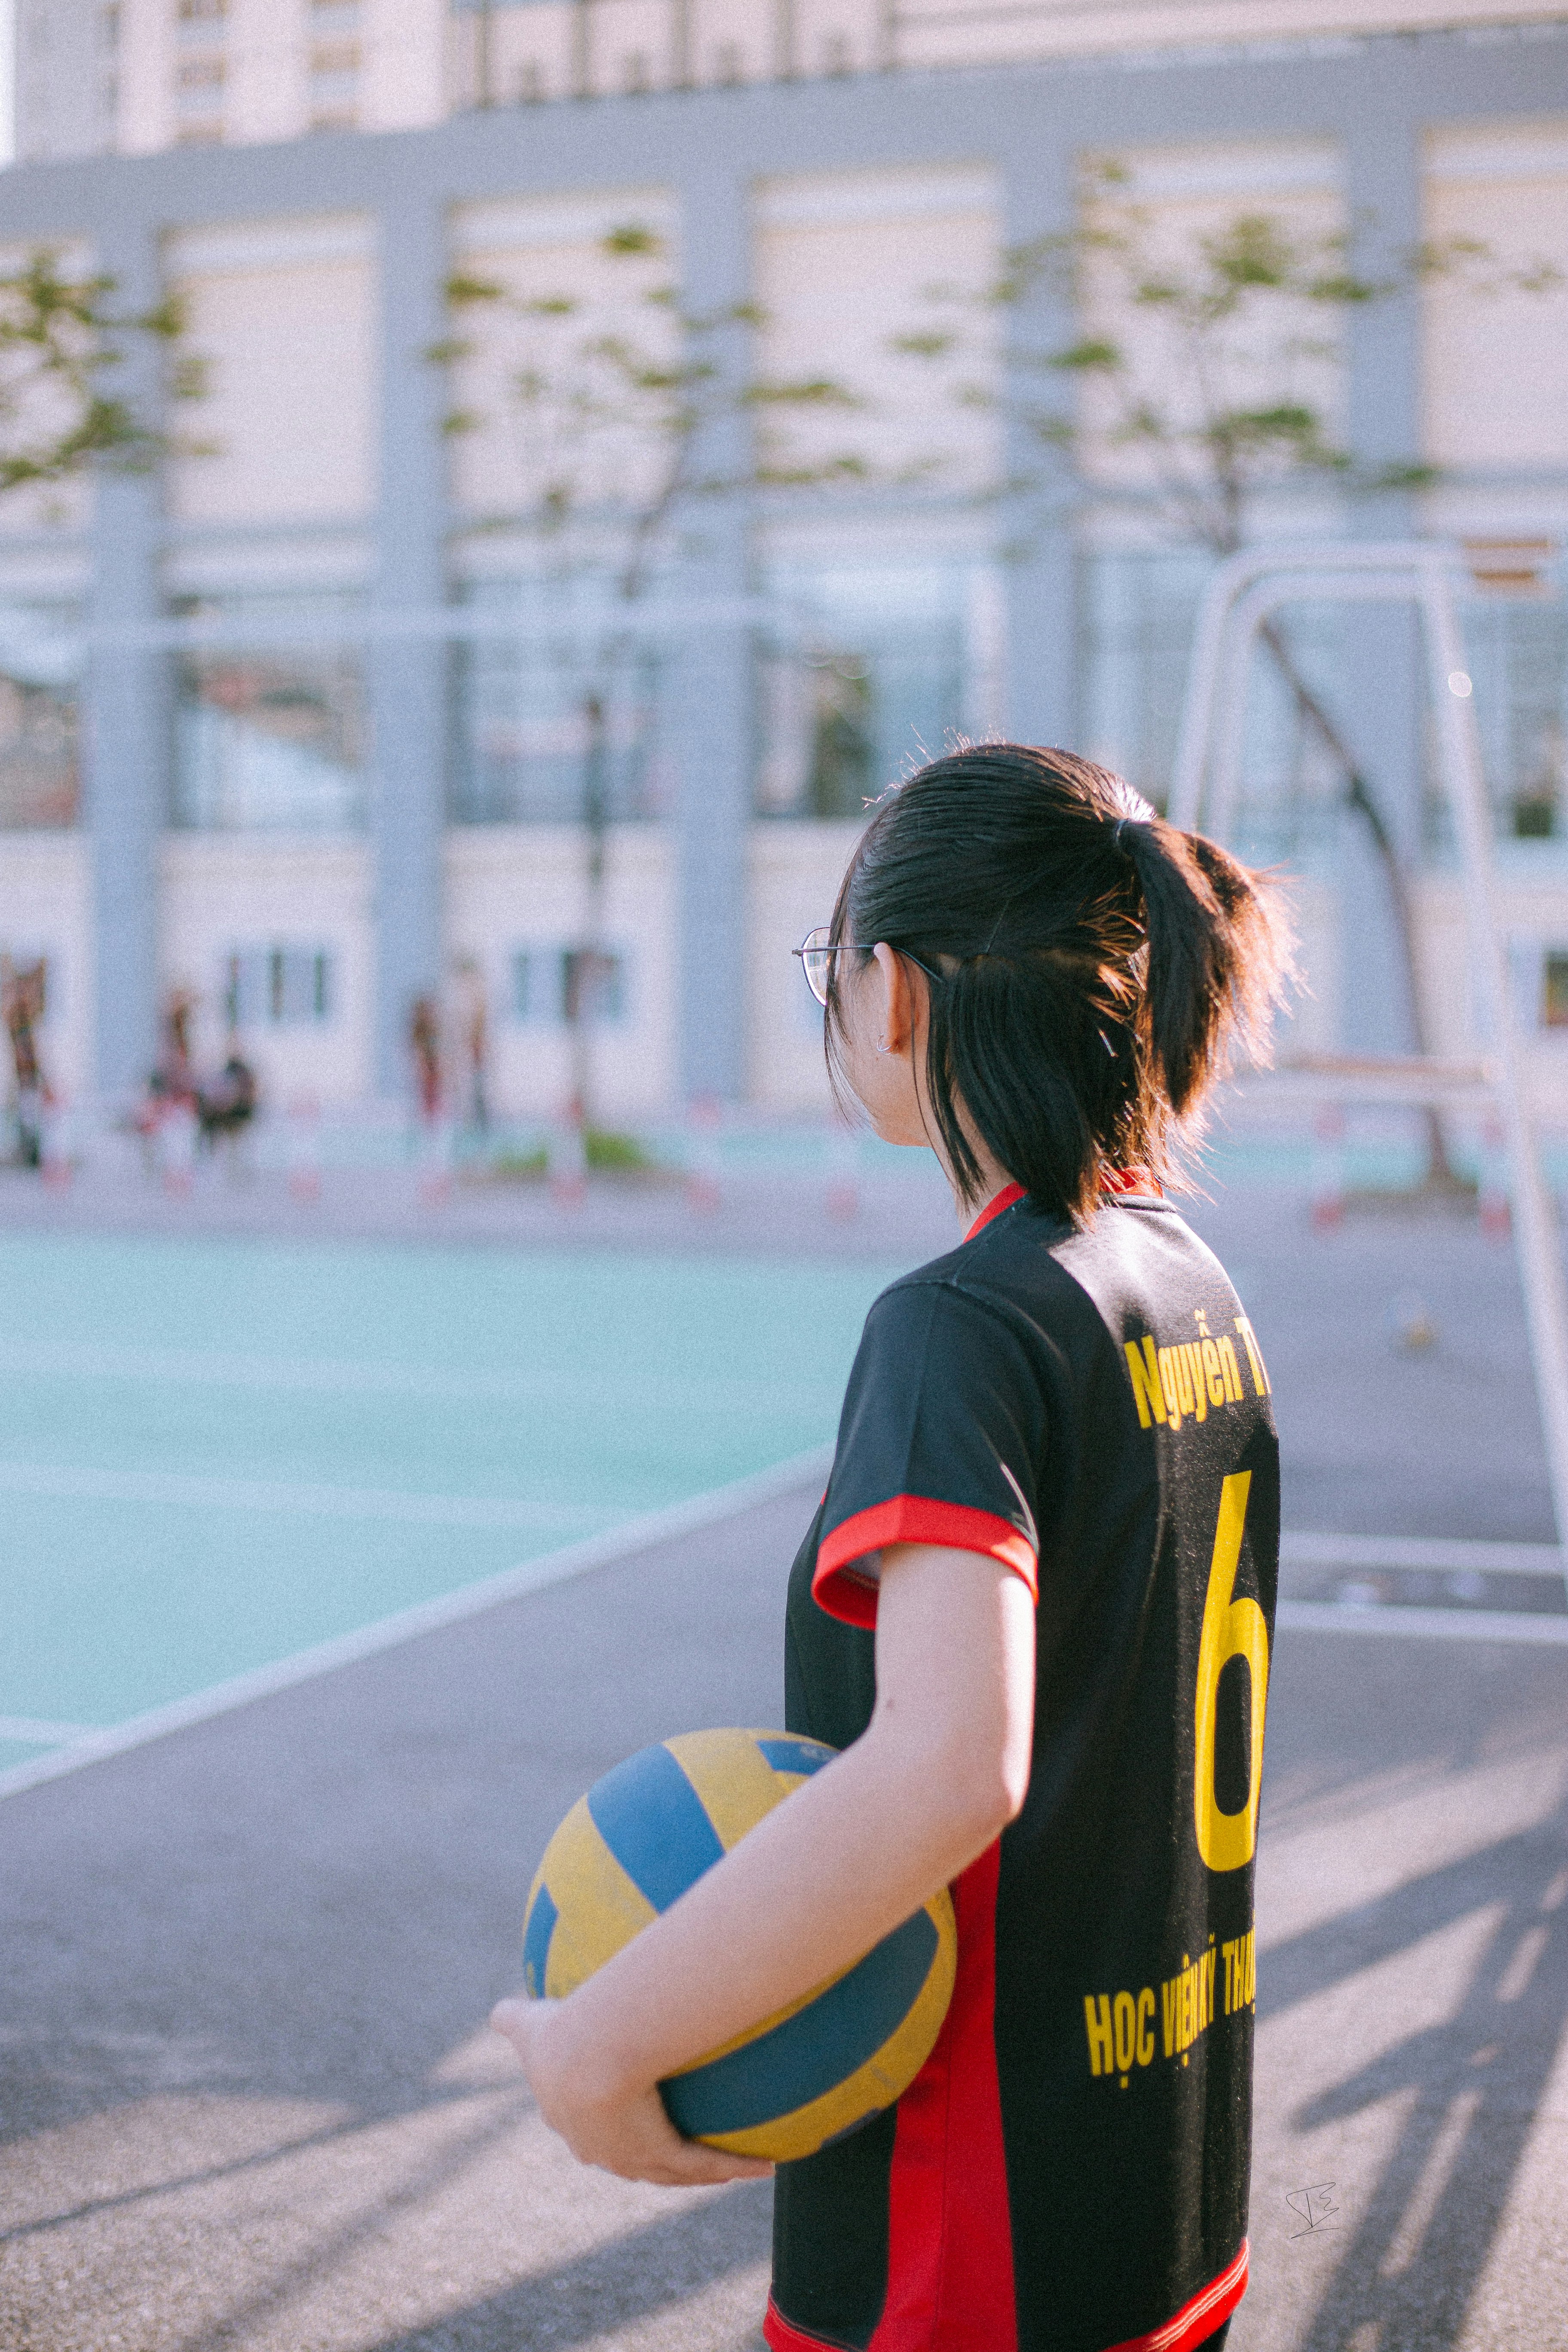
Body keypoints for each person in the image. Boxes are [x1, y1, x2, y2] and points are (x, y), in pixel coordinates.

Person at [492, 743, 1290, 2352]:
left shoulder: (961, 1330)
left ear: (900, 992)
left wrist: (605, 2041)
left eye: (827, 969)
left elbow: (948, 1768)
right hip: (1166, 2193)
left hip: (972, 2237)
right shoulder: (1193, 1285)